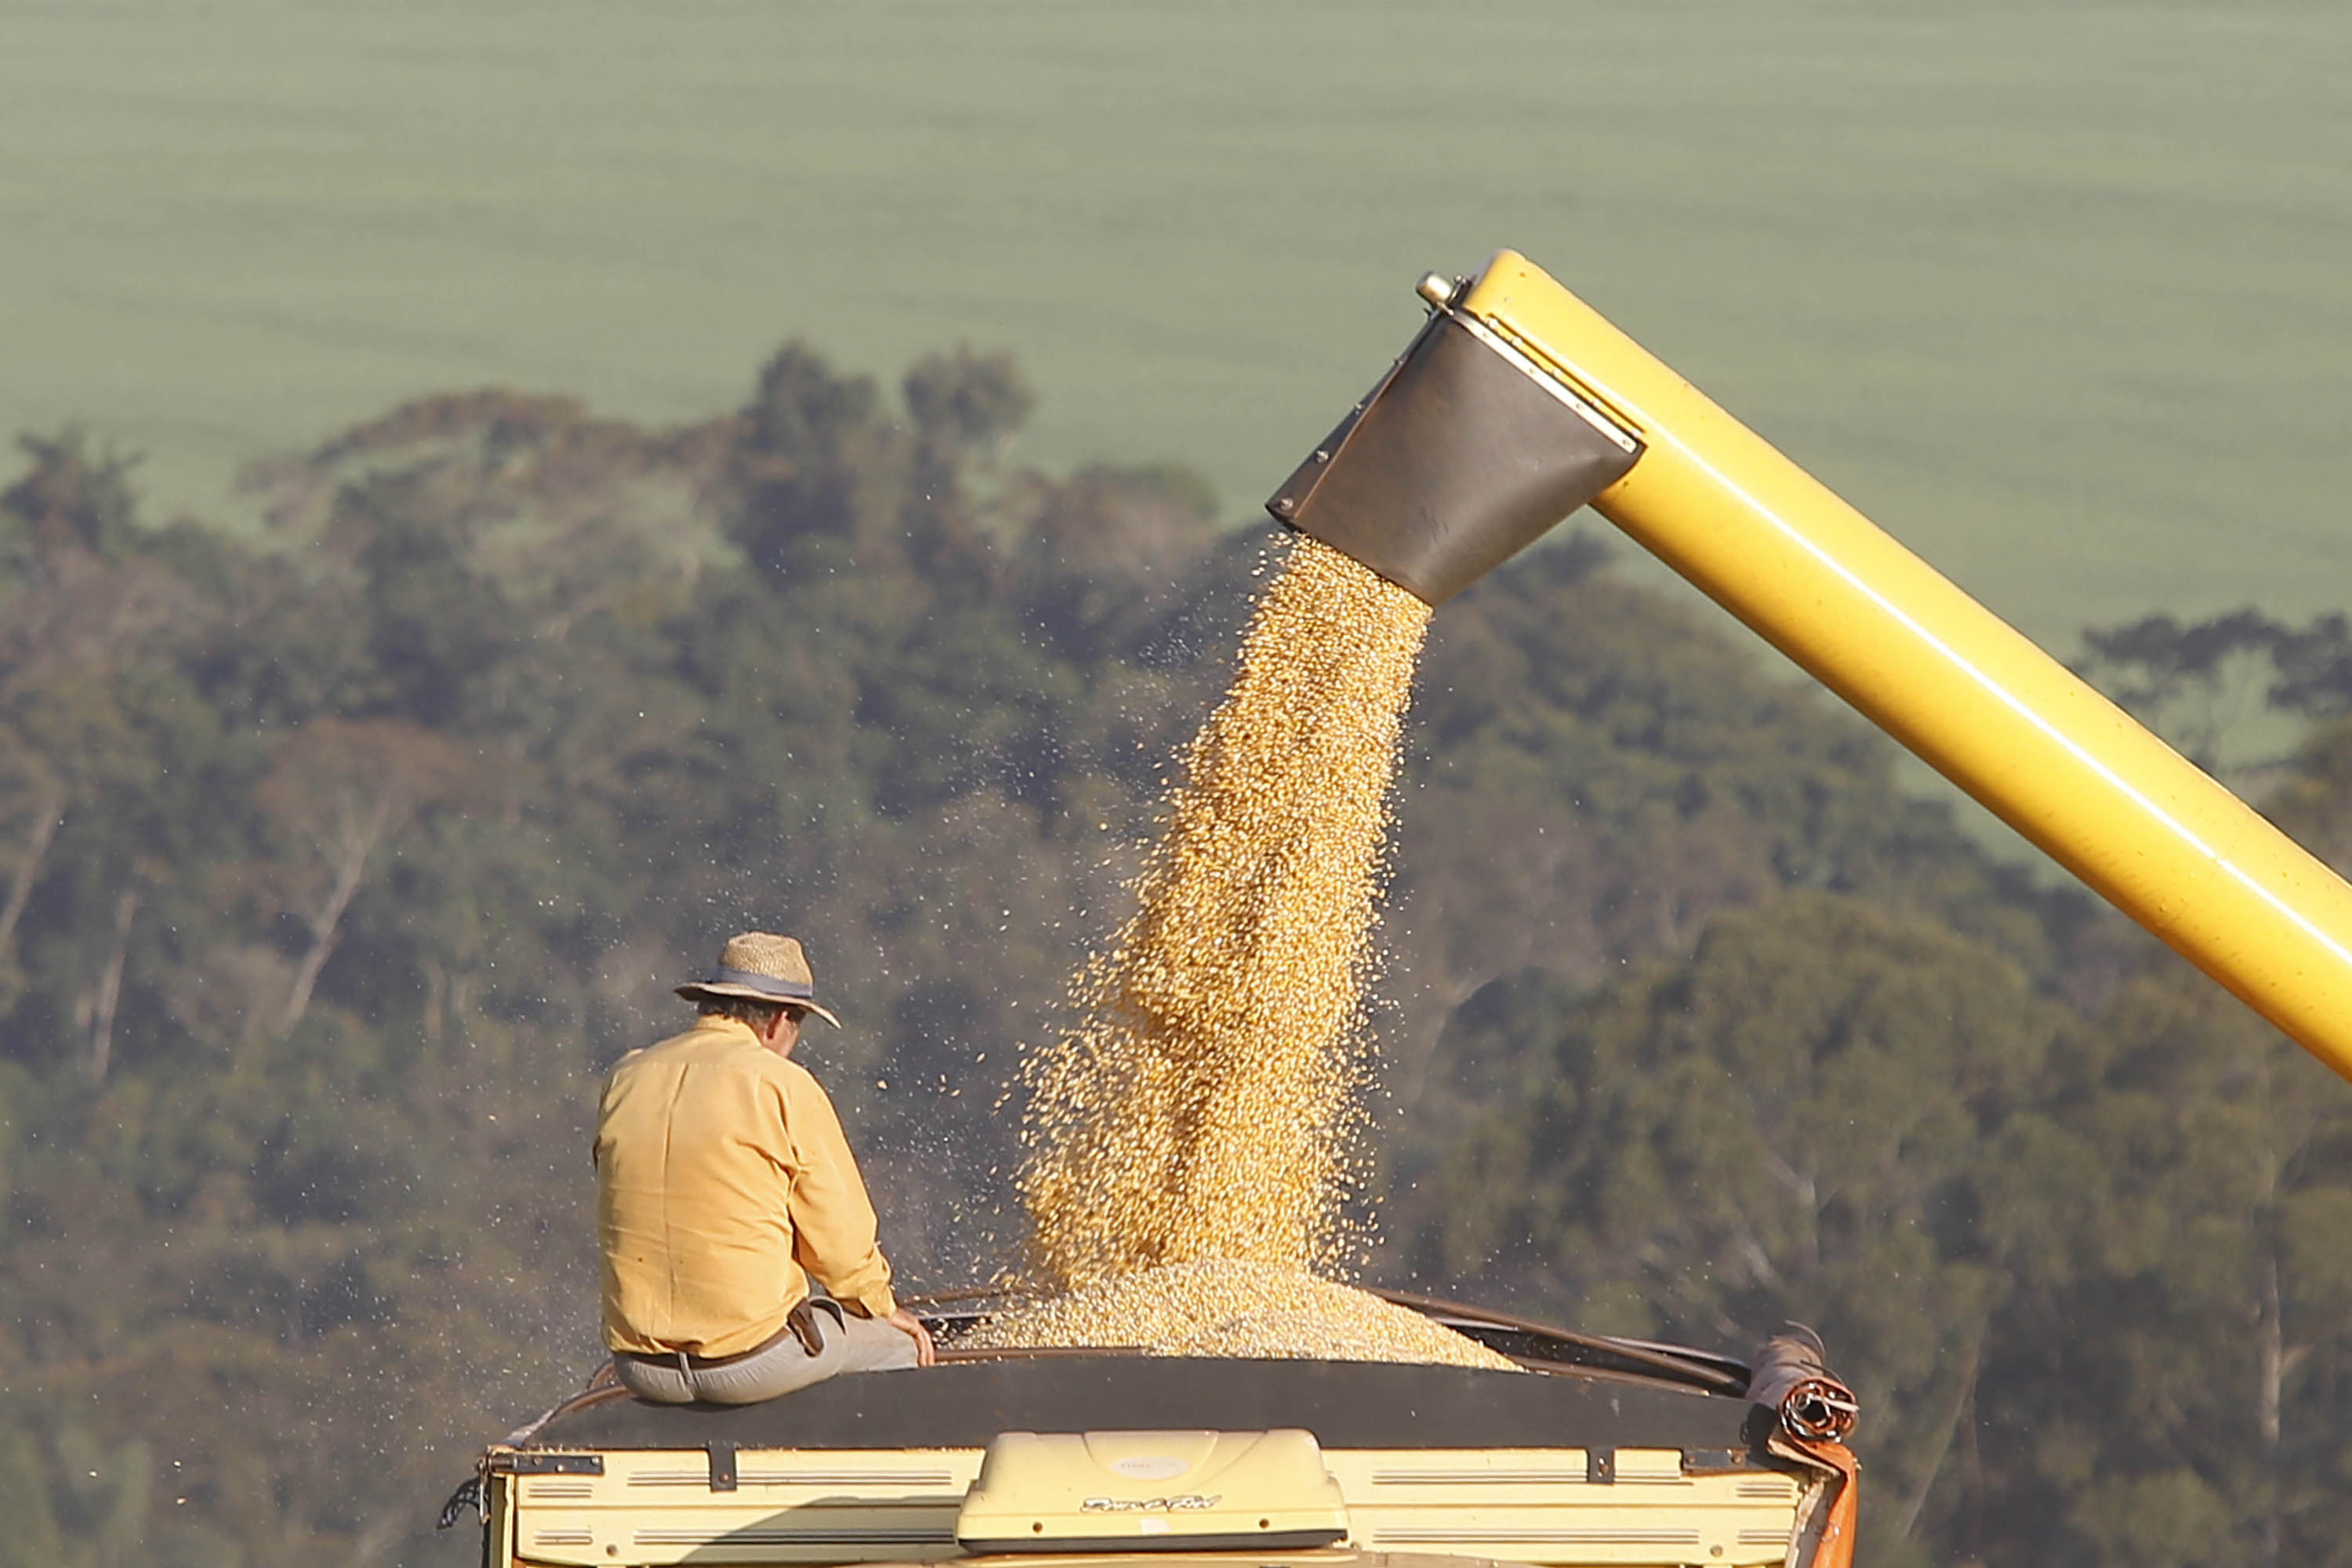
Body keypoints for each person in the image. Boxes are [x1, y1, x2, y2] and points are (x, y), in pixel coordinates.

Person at [595, 931, 935, 1403]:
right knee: (899, 1348)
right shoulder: (782, 1086)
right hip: (747, 1363)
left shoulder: (626, 1077)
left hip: (640, 1366)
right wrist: (879, 1304)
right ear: (779, 1022)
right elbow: (839, 1242)